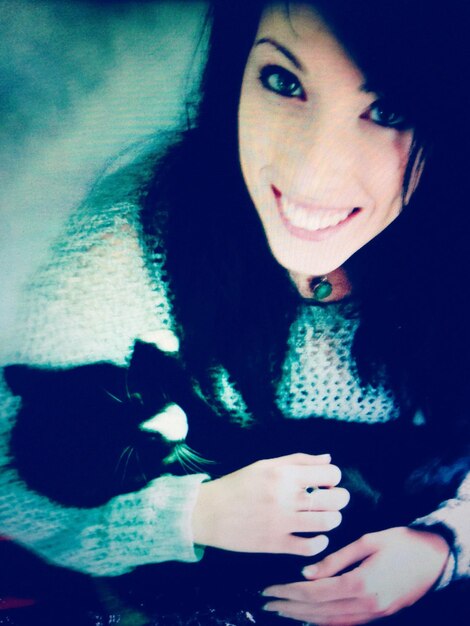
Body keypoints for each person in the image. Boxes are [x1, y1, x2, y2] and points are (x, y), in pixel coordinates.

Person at [0, 1, 469, 624]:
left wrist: (444, 550)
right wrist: (191, 516)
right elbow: (11, 487)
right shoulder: (138, 231)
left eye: (390, 110)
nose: (311, 175)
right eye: (283, 81)